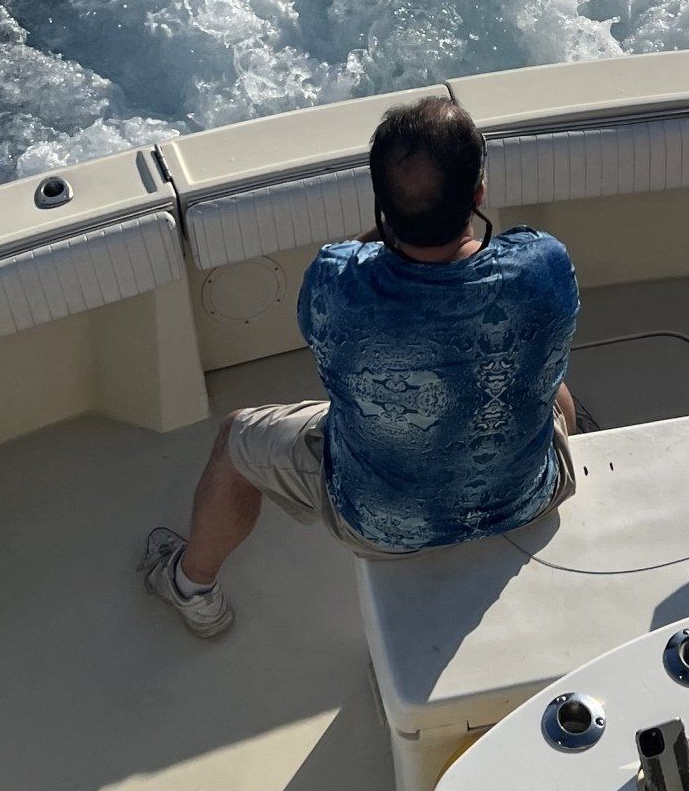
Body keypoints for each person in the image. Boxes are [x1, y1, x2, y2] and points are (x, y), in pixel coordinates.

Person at [141, 95, 579, 637]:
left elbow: (347, 292)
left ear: (382, 205)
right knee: (550, 383)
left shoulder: (336, 284)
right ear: (479, 196)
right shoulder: (545, 265)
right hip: (532, 497)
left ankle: (191, 587)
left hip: (382, 524)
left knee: (236, 439)